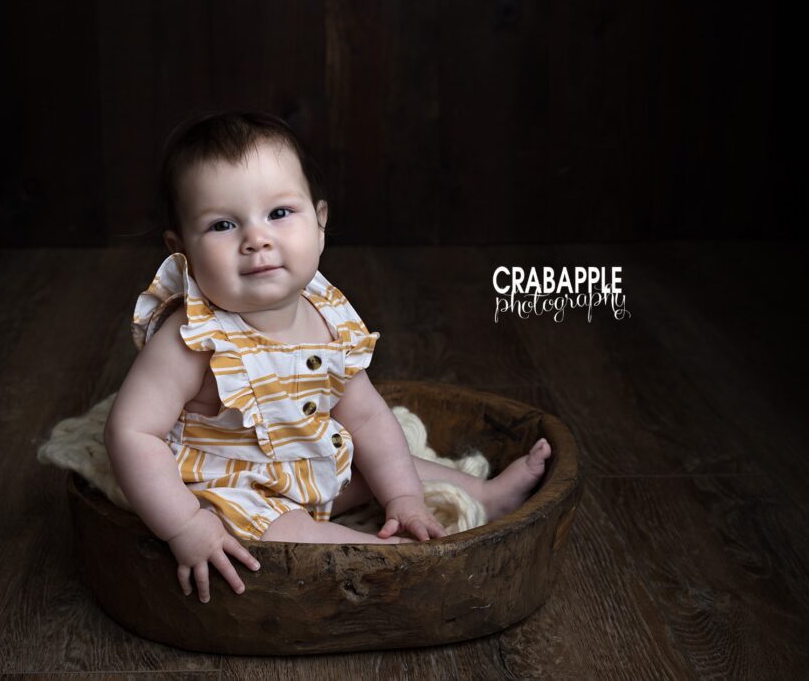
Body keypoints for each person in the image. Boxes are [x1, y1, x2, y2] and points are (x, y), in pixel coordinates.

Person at [104, 111, 552, 604]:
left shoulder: (328, 312)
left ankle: (481, 495)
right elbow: (131, 431)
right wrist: (185, 524)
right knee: (277, 532)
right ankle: (386, 560)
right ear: (181, 247)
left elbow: (364, 413)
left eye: (279, 213)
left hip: (311, 467)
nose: (256, 239)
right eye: (223, 224)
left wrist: (401, 496)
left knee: (379, 456)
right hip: (236, 488)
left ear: (319, 223)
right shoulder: (192, 338)